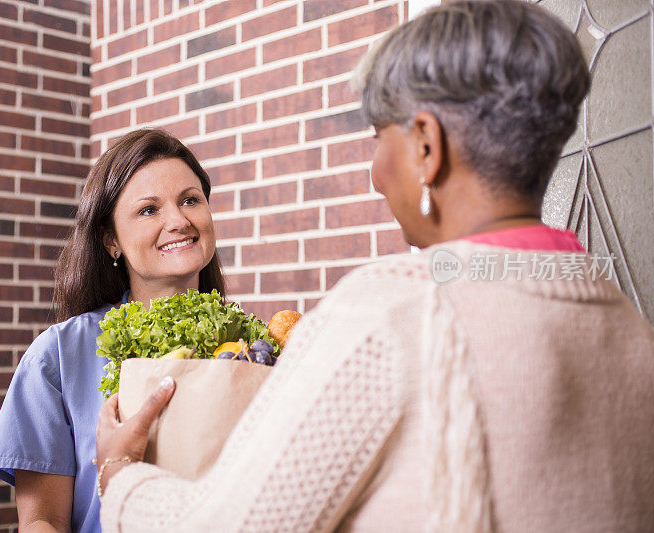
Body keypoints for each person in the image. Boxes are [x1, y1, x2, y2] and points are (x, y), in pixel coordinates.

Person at [94, 1, 654, 532]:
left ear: (428, 146)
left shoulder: (391, 315)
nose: (375, 173)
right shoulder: (628, 325)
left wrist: (120, 474)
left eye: (380, 138)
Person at [0, 128, 225, 532]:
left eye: (190, 200)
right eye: (149, 210)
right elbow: (42, 521)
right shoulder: (57, 356)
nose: (178, 220)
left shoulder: (250, 349)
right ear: (112, 240)